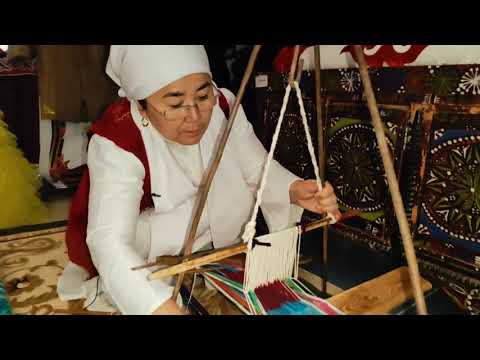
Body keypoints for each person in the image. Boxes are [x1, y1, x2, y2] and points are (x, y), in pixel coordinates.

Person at [57, 45, 340, 315]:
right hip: (151, 246)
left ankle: (214, 268)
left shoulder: (225, 105)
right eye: (176, 103)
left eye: (203, 97)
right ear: (141, 106)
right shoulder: (118, 138)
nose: (194, 116)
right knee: (134, 283)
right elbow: (110, 240)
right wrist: (153, 305)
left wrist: (293, 189)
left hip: (216, 240)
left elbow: (256, 169)